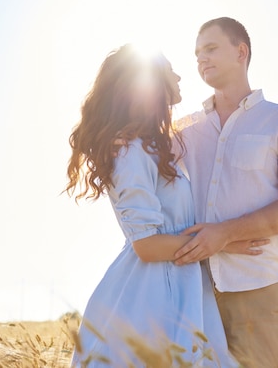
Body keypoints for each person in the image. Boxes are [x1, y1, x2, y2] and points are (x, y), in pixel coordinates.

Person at [65, 44, 251, 367]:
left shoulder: (153, 146)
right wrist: (224, 241)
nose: (179, 76)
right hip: (151, 293)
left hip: (184, 285)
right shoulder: (129, 151)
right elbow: (147, 246)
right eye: (169, 69)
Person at [172, 17, 278, 367]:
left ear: (241, 52)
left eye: (210, 48)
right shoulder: (184, 130)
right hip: (197, 293)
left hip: (261, 290)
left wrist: (224, 234)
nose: (200, 59)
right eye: (196, 53)